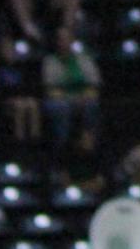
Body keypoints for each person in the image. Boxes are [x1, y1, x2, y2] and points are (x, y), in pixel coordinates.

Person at [40, 26, 101, 156]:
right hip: (58, 99)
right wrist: (70, 98)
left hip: (84, 98)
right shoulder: (50, 61)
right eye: (60, 39)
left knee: (92, 105)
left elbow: (94, 83)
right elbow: (50, 88)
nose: (63, 42)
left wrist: (83, 97)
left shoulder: (84, 59)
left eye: (66, 39)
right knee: (61, 108)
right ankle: (61, 146)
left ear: (72, 40)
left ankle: (89, 144)